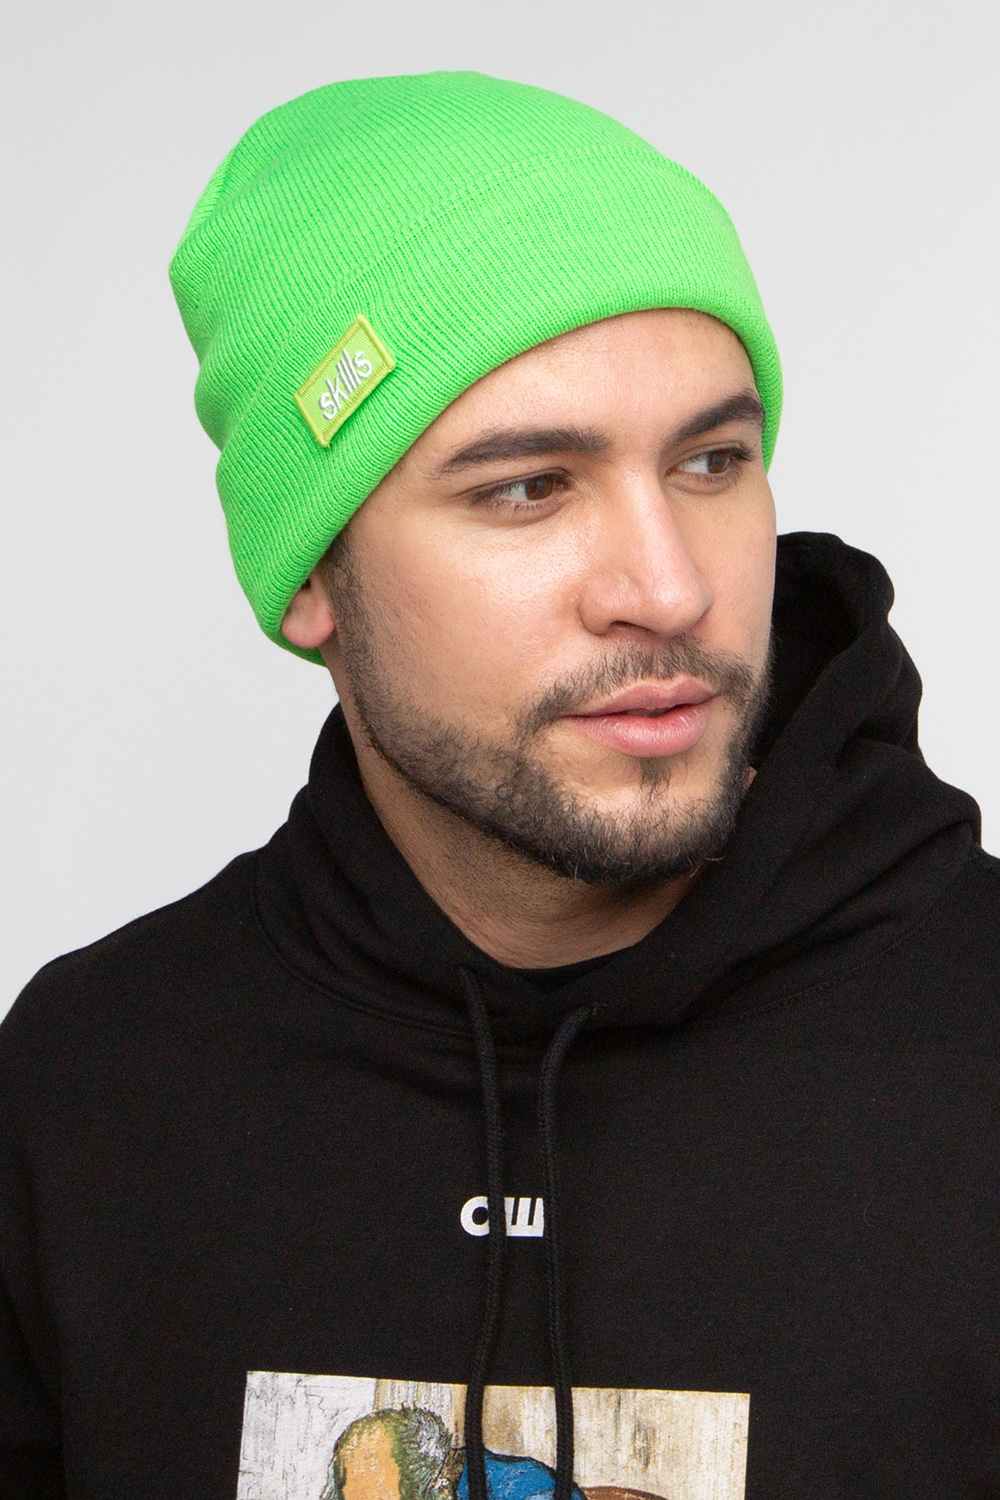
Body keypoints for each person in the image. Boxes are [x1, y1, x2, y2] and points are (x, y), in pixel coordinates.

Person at [0, 69, 995, 1500]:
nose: (668, 589)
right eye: (527, 487)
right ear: (311, 576)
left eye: (712, 460)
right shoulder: (91, 1089)